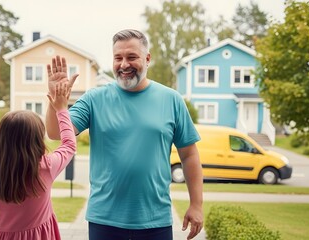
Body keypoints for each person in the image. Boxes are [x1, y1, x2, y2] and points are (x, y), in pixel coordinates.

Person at [46, 29, 203, 240]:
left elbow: (189, 155)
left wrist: (196, 204)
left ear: (147, 59)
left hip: (155, 220)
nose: (124, 64)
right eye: (118, 58)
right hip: (104, 220)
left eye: (132, 57)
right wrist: (56, 103)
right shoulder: (94, 99)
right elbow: (55, 132)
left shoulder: (172, 100)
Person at [0, 82, 76, 240]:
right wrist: (61, 109)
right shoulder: (46, 167)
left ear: (1, 141)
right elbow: (69, 144)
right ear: (36, 141)